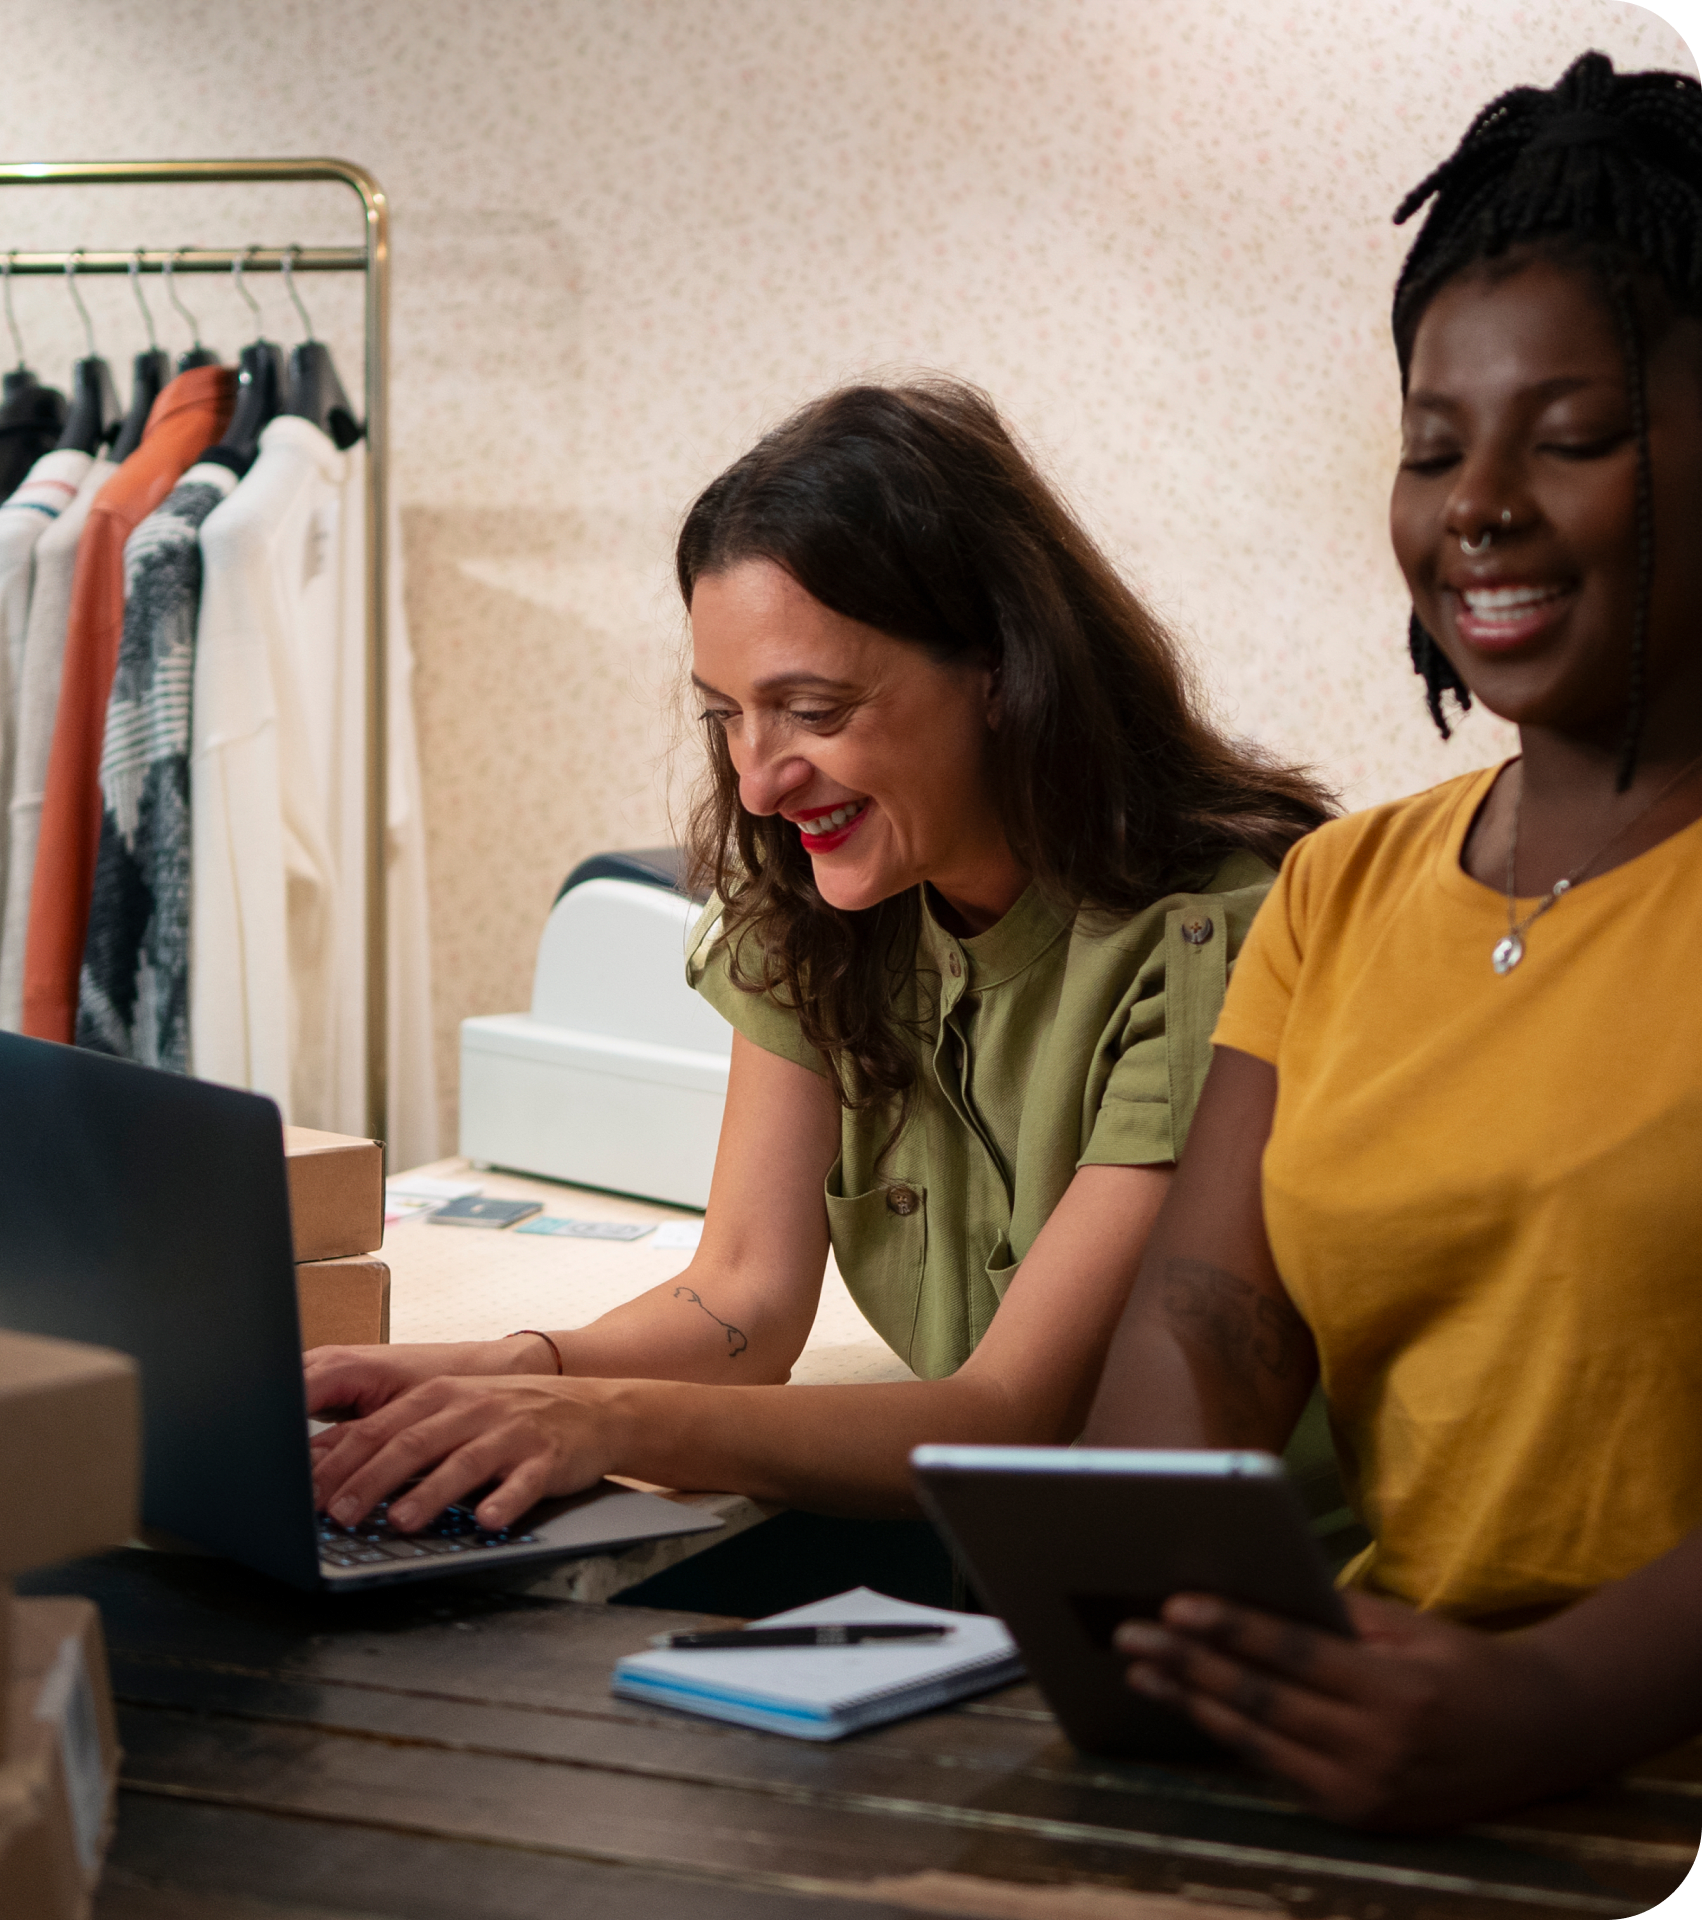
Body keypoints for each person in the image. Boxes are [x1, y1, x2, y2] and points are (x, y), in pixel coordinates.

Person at [308, 378, 1332, 1536]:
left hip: (1238, 1610)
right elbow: (741, 1297)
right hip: (1018, 1574)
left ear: (1001, 669)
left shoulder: (1218, 941)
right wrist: (489, 1376)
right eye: (726, 716)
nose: (756, 779)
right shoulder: (831, 911)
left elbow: (1012, 1415)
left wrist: (594, 1419)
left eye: (814, 710)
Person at [1080, 51, 1702, 1828]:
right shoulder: (1337, 892)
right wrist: (1160, 1626)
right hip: (1388, 1788)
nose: (1473, 506)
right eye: (1431, 448)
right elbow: (1195, 1342)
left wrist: (1555, 1699)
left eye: (1565, 438)